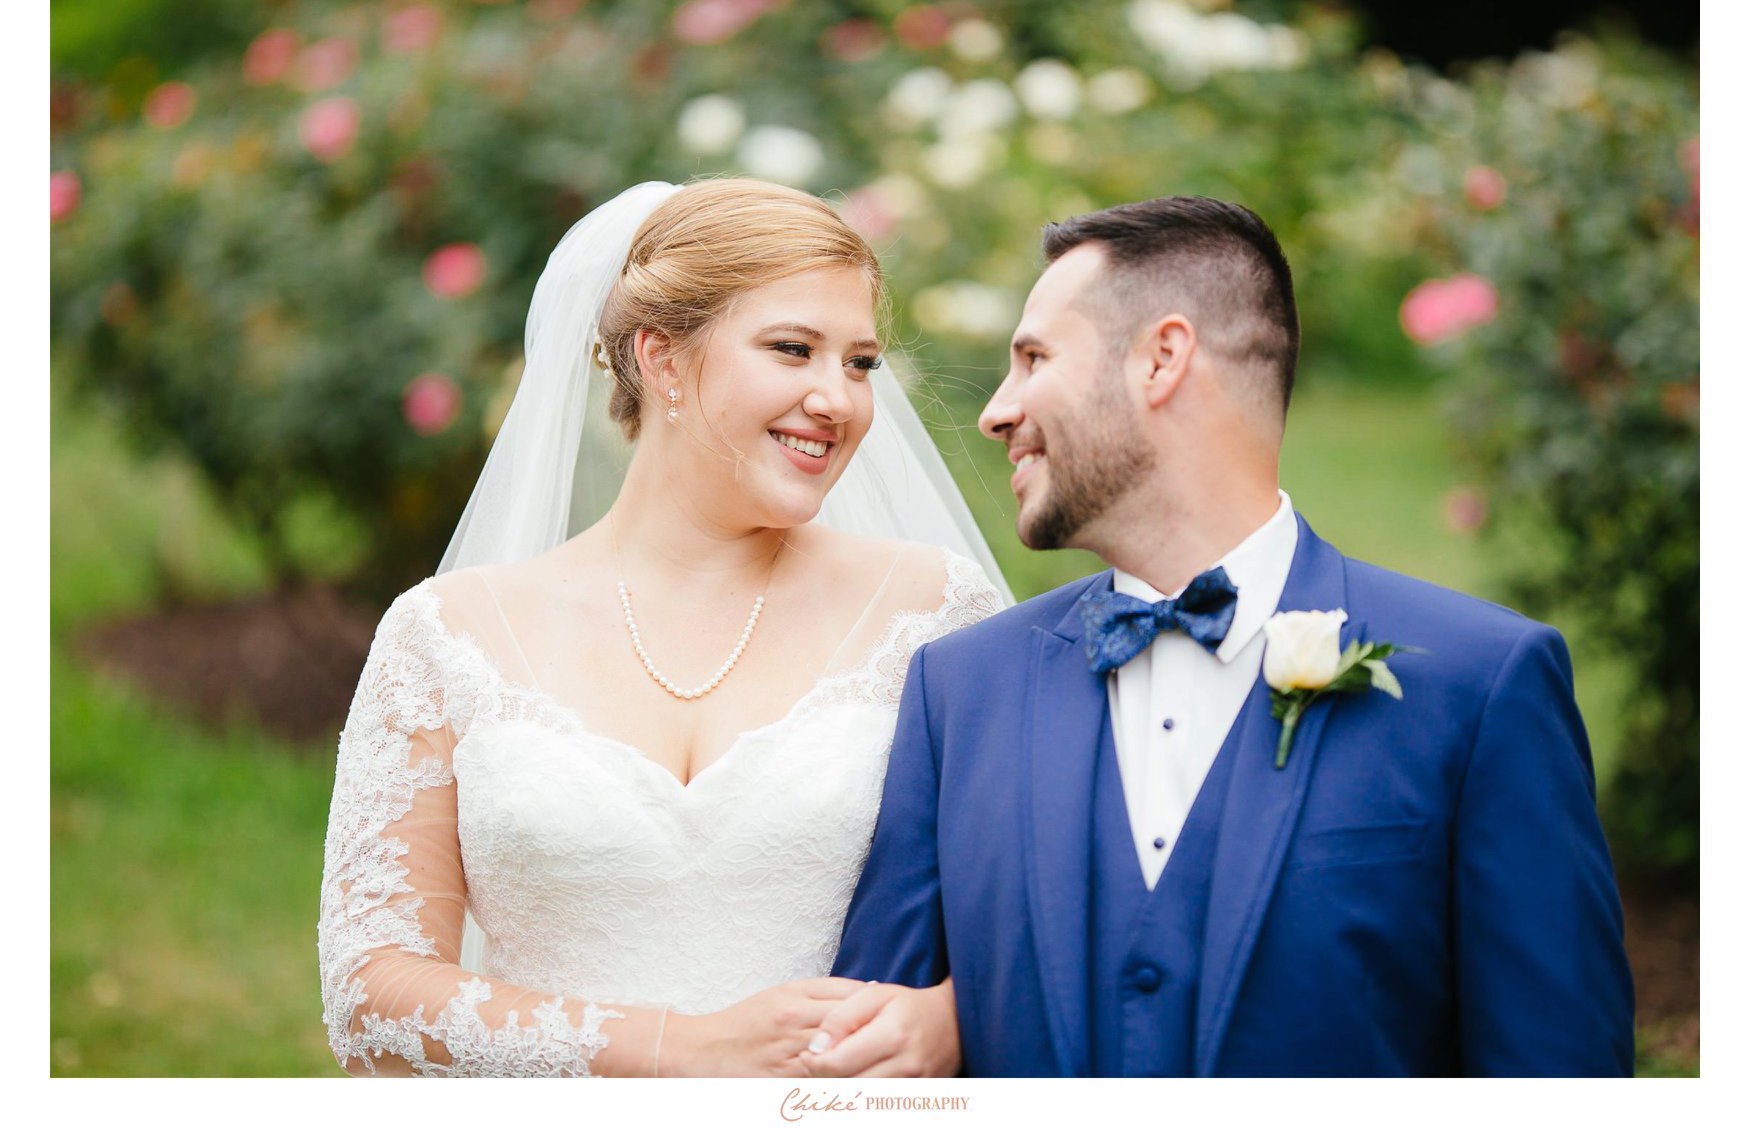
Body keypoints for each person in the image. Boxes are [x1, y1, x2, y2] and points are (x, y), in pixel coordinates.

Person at [821, 195, 1635, 1076]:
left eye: (1033, 359)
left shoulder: (1480, 684)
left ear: (1162, 358)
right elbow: (869, 1058)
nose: (996, 411)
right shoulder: (960, 691)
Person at [317, 179, 1005, 1077]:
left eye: (860, 363)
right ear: (662, 359)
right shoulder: (447, 635)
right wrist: (680, 1047)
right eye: (793, 349)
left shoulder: (932, 611)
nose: (838, 399)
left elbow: (1034, 921)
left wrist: (948, 1021)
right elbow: (369, 994)